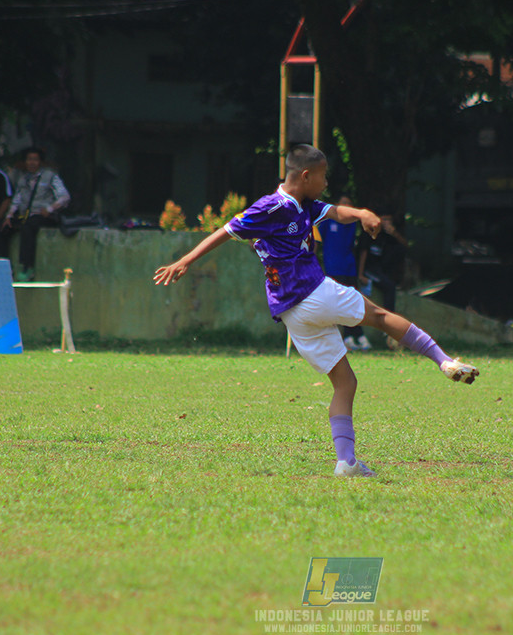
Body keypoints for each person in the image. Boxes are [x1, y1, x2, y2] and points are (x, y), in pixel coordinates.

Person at [154, 144, 478, 479]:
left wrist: (362, 213)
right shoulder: (271, 207)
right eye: (323, 176)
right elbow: (225, 231)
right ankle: (444, 361)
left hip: (293, 313)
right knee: (379, 316)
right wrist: (184, 261)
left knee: (345, 383)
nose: (325, 183)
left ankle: (346, 463)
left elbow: (337, 212)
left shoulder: (304, 204)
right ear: (306, 175)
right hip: (311, 292)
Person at [0, 147, 70, 281]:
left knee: (28, 227)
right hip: (25, 215)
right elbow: (17, 199)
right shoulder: (23, 179)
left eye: (35, 160)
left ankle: (27, 268)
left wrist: (50, 209)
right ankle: (2, 269)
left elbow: (65, 197)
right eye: (29, 160)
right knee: (0, 228)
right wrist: (9, 216)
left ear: (41, 162)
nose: (32, 163)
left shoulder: (50, 176)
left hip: (44, 216)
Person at [316, 194, 372, 351]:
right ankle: (349, 336)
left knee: (353, 300)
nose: (347, 206)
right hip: (333, 266)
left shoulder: (352, 224)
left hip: (349, 267)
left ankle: (358, 335)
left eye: (350, 203)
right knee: (341, 303)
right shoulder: (327, 222)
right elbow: (318, 241)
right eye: (344, 203)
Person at [357, 212, 407, 312]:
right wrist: (360, 274)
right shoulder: (369, 232)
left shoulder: (387, 236)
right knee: (389, 287)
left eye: (389, 220)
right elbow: (363, 253)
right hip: (368, 269)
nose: (386, 222)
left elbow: (404, 246)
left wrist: (394, 234)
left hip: (381, 269)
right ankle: (389, 316)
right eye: (384, 219)